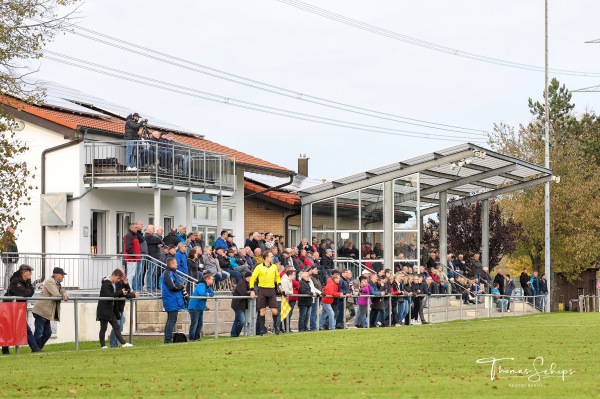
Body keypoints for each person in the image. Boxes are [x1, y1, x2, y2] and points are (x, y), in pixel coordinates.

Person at [2, 264, 40, 354]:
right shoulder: (15, 281)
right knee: (9, 328)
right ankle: (5, 349)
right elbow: (23, 292)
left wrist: (27, 291)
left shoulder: (27, 281)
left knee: (24, 328)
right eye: (29, 272)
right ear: (23, 272)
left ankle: (35, 348)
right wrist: (27, 291)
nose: (31, 273)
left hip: (18, 308)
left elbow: (30, 292)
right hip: (10, 308)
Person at [97, 269, 136, 348]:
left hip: (110, 309)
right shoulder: (106, 283)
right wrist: (120, 293)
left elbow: (117, 294)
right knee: (103, 328)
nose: (118, 280)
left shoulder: (113, 283)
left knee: (116, 326)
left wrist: (127, 293)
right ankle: (103, 345)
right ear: (113, 275)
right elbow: (109, 295)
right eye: (118, 278)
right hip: (103, 309)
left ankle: (123, 343)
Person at [32, 267, 69, 350]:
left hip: (46, 312)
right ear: (56, 275)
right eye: (62, 275)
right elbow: (56, 294)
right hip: (41, 311)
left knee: (48, 333)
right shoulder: (50, 282)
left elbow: (63, 291)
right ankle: (35, 348)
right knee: (39, 332)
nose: (63, 277)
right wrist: (63, 296)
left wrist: (65, 295)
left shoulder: (57, 283)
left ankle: (38, 348)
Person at [249, 251, 281, 336]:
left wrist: (279, 284)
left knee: (275, 311)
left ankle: (275, 325)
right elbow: (253, 278)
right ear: (266, 258)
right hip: (262, 290)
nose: (273, 257)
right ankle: (262, 329)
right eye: (271, 256)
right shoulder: (259, 267)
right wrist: (252, 289)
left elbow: (277, 277)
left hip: (271, 290)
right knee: (262, 311)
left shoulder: (274, 267)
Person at [161, 258, 187, 344]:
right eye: (176, 263)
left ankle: (168, 339)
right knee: (171, 320)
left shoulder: (172, 273)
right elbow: (172, 286)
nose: (177, 264)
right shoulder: (168, 274)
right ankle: (167, 340)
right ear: (171, 264)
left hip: (173, 299)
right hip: (171, 300)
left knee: (172, 320)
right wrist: (181, 286)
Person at [109, 269, 138, 348]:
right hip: (116, 308)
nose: (123, 276)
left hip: (120, 308)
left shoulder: (122, 282)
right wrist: (133, 295)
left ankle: (115, 344)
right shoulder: (116, 283)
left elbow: (127, 291)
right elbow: (122, 294)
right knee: (117, 327)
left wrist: (126, 284)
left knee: (119, 327)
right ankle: (113, 344)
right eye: (122, 274)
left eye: (124, 274)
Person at [188, 274, 214, 341]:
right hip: (194, 307)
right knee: (194, 323)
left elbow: (212, 293)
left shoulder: (207, 287)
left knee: (200, 324)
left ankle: (197, 337)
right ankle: (191, 338)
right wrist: (208, 294)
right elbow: (202, 294)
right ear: (207, 279)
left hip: (200, 308)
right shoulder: (201, 285)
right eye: (212, 279)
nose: (213, 281)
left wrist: (207, 294)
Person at [231, 272, 252, 337]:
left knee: (237, 320)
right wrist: (250, 293)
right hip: (238, 305)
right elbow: (243, 293)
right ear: (248, 277)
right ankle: (236, 333)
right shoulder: (241, 283)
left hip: (241, 305)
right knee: (241, 321)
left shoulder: (246, 283)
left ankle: (234, 334)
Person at [144, 225, 163, 291]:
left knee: (154, 273)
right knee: (150, 272)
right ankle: (149, 287)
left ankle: (153, 287)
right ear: (149, 229)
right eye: (153, 229)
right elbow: (159, 240)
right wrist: (159, 242)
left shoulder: (153, 237)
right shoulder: (147, 236)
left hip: (155, 256)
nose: (154, 230)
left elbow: (162, 242)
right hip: (151, 256)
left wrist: (160, 243)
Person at [124, 223, 142, 291]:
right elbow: (128, 248)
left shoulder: (134, 235)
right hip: (131, 258)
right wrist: (134, 254)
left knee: (132, 274)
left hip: (134, 258)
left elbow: (142, 240)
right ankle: (129, 288)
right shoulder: (129, 236)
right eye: (135, 227)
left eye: (137, 227)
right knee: (130, 274)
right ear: (131, 228)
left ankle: (130, 287)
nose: (137, 229)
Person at [1, 225, 19, 293]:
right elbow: (9, 248)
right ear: (9, 229)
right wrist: (13, 257)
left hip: (8, 257)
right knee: (9, 273)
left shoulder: (7, 237)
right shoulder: (7, 237)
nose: (14, 230)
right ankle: (6, 288)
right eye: (12, 229)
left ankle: (8, 287)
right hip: (8, 258)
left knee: (9, 272)